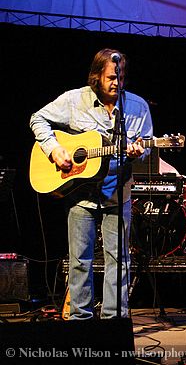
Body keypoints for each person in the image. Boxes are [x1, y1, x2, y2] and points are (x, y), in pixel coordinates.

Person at [30, 48, 153, 319]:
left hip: (117, 193)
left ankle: (114, 323)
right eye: (110, 77)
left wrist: (139, 151)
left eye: (120, 77)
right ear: (96, 76)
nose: (116, 83)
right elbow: (37, 118)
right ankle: (81, 322)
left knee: (119, 262)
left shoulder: (138, 106)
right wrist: (54, 149)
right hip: (80, 193)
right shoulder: (74, 100)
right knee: (80, 262)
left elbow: (145, 144)